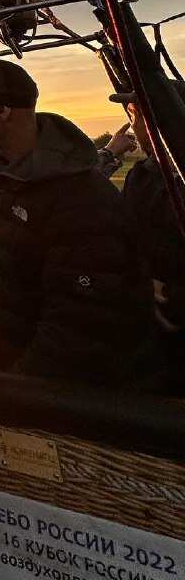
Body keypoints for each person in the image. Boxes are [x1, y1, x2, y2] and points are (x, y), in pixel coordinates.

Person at [0, 58, 153, 385]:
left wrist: (15, 389)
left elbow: (78, 322)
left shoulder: (82, 196)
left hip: (53, 385)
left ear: (3, 110)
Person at [110, 81, 185, 392]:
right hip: (152, 336)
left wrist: (175, 299)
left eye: (134, 114)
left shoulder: (173, 178)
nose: (132, 123)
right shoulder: (141, 175)